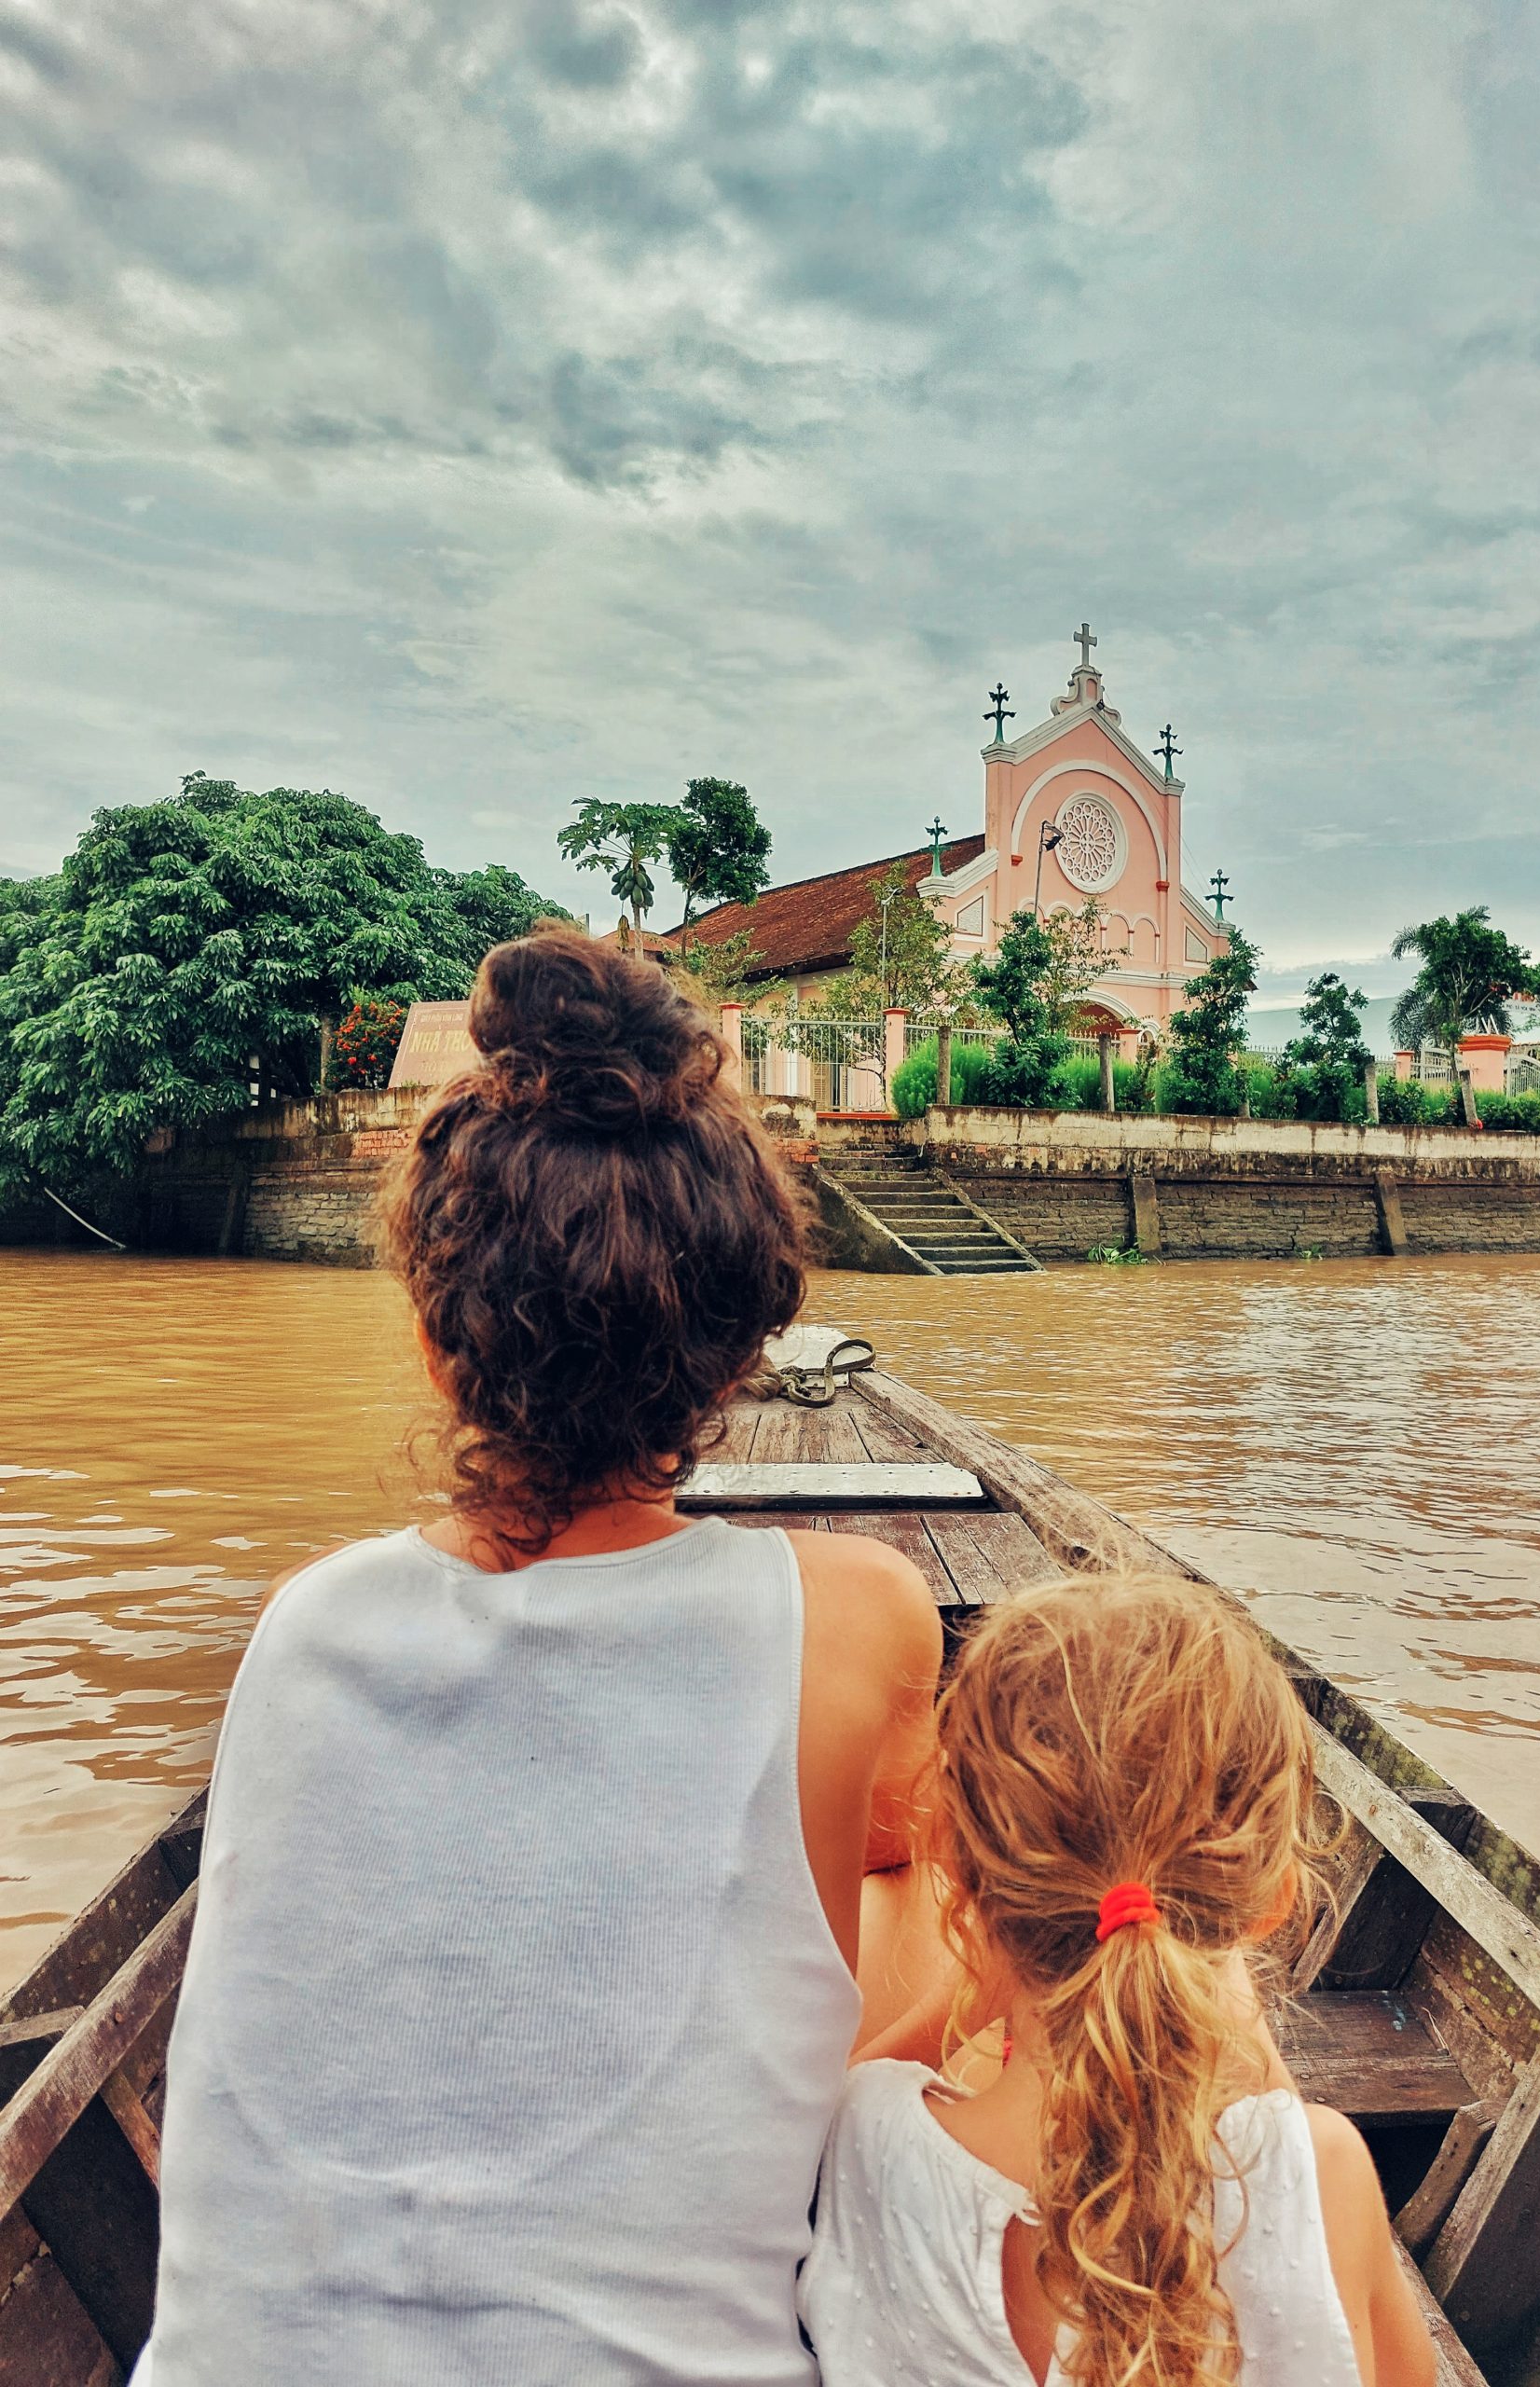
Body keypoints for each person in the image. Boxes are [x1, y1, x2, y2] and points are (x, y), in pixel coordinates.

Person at [134, 925, 942, 2385]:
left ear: (442, 1345)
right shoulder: (860, 1614)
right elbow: (901, 1916)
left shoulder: (306, 1618)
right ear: (740, 1351)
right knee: (921, 1878)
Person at [799, 1573, 1437, 2387]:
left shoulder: (863, 2139)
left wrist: (969, 1998)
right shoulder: (1320, 2172)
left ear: (957, 1876)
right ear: (1271, 1900)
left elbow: (817, 2125)